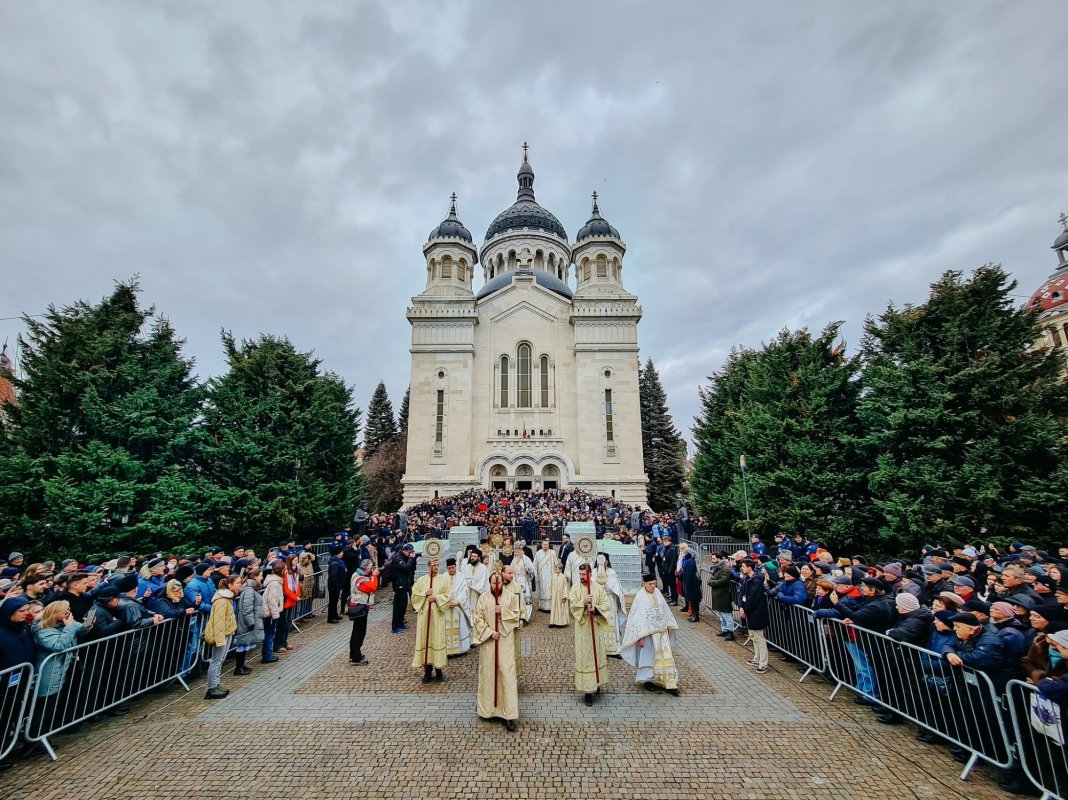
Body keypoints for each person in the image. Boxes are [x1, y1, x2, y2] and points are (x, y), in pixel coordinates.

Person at [472, 573, 521, 731]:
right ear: (490, 583)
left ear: (502, 583)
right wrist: (488, 632)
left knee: (506, 675)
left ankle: (508, 714)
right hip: (489, 643)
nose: (496, 586)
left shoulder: (511, 596)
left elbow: (516, 614)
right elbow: (478, 618)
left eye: (498, 583)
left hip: (505, 642)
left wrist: (503, 613)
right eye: (493, 583)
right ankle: (489, 710)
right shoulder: (484, 598)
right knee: (489, 675)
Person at [620, 573, 680, 695]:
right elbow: (637, 618)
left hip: (661, 633)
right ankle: (648, 681)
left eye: (654, 583)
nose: (653, 586)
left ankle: (669, 681)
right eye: (650, 584)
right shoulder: (640, 597)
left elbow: (665, 611)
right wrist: (640, 637)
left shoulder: (658, 593)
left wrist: (668, 627)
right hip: (648, 634)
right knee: (649, 658)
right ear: (644, 584)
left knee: (665, 658)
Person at [569, 562, 613, 706]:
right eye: (580, 574)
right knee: (585, 658)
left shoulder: (598, 588)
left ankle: (596, 683)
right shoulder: (575, 588)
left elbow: (607, 606)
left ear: (590, 574)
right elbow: (573, 606)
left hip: (595, 627)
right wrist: (583, 602)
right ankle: (587, 691)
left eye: (584, 574)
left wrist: (595, 608)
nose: (581, 577)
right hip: (583, 630)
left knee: (597, 655)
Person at [411, 558, 451, 683]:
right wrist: (425, 593)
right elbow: (414, 596)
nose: (436, 567)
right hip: (424, 617)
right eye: (434, 565)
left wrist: (436, 598)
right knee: (425, 641)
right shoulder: (421, 580)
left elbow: (448, 595)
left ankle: (439, 670)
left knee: (437, 641)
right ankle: (427, 671)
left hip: (437, 617)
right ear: (429, 566)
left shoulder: (443, 580)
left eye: (438, 565)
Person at [202, 574, 241, 699]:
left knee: (220, 661)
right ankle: (212, 687)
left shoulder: (228, 598)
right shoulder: (222, 600)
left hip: (227, 632)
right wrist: (219, 640)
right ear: (230, 585)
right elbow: (218, 621)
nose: (240, 585)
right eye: (238, 583)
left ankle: (216, 684)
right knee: (216, 661)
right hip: (221, 634)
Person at [738, 559, 769, 674]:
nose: (742, 568)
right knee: (753, 636)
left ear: (749, 567)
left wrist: (745, 609)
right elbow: (742, 593)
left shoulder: (757, 581)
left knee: (759, 638)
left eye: (744, 566)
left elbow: (752, 597)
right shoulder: (747, 579)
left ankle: (763, 663)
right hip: (748, 611)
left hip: (757, 612)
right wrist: (741, 607)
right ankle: (756, 658)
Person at [595, 554, 627, 656]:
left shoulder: (611, 572)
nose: (602, 563)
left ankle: (614, 649)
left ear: (607, 561)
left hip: (610, 600)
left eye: (604, 560)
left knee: (612, 624)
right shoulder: (594, 572)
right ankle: (599, 648)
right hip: (598, 601)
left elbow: (617, 588)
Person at [348, 559, 379, 665]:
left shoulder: (358, 575)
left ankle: (354, 654)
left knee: (356, 631)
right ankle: (356, 657)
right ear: (367, 569)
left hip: (360, 605)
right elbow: (372, 587)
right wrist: (374, 576)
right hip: (360, 606)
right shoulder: (359, 578)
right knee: (359, 632)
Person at [234, 569, 264, 676]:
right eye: (260, 575)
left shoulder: (251, 589)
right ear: (255, 577)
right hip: (246, 622)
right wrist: (251, 622)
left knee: (245, 644)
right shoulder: (249, 591)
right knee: (242, 644)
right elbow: (247, 608)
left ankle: (242, 665)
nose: (262, 577)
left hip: (249, 620)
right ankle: (238, 667)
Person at [443, 557, 473, 656]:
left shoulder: (461, 577)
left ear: (455, 567)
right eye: (449, 568)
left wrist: (457, 601)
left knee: (460, 627)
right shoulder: (443, 577)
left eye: (453, 567)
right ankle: (448, 650)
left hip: (458, 607)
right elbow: (441, 592)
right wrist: (447, 601)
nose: (451, 570)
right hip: (447, 608)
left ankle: (460, 649)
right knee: (446, 628)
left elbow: (464, 591)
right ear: (447, 568)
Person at [706, 551, 736, 641]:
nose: (712, 560)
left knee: (726, 614)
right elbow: (712, 577)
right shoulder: (717, 567)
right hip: (717, 594)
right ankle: (724, 630)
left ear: (719, 559)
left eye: (714, 558)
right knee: (720, 614)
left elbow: (723, 580)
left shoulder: (725, 568)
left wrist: (712, 582)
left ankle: (730, 632)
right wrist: (711, 581)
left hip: (723, 594)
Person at [390, 544, 418, 634]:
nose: (410, 554)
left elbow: (411, 569)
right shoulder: (397, 558)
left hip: (405, 584)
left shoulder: (405, 557)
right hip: (399, 585)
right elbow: (405, 568)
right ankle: (395, 626)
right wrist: (411, 559)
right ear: (405, 551)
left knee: (403, 606)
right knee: (397, 607)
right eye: (409, 552)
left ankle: (401, 623)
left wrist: (414, 561)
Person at [461, 548, 490, 635]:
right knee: (467, 614)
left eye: (474, 556)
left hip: (477, 595)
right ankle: (467, 636)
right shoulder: (466, 567)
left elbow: (483, 582)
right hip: (467, 594)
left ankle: (476, 635)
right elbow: (463, 579)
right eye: (472, 556)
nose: (472, 558)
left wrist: (472, 584)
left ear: (479, 558)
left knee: (477, 615)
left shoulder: (483, 568)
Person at [260, 562, 284, 663]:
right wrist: (275, 615)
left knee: (269, 633)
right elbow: (272, 600)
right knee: (269, 634)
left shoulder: (275, 581)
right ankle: (267, 655)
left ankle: (267, 653)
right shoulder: (274, 583)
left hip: (271, 612)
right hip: (270, 613)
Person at [533, 539, 557, 612]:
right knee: (543, 590)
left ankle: (551, 606)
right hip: (542, 575)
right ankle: (542, 606)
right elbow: (534, 565)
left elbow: (556, 563)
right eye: (544, 545)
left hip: (551, 575)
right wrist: (536, 574)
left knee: (550, 590)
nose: (546, 546)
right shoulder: (538, 553)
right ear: (541, 545)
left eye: (547, 545)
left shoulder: (553, 553)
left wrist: (556, 573)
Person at [327, 545, 347, 624]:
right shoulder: (335, 563)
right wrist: (337, 584)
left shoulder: (339, 561)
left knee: (335, 601)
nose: (342, 553)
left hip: (337, 584)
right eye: (341, 552)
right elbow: (333, 575)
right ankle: (331, 618)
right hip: (334, 585)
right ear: (337, 553)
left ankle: (335, 615)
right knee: (332, 602)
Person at [681, 547, 702, 622]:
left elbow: (689, 574)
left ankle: (695, 616)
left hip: (692, 584)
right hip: (691, 583)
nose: (684, 554)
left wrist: (688, 584)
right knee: (692, 600)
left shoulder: (689, 562)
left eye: (685, 553)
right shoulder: (690, 561)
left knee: (694, 600)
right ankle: (694, 615)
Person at [548, 560, 571, 628]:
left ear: (561, 570)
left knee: (561, 609)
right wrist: (550, 593)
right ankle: (553, 622)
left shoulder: (563, 577)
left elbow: (565, 587)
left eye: (557, 569)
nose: (556, 570)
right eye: (555, 568)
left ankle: (561, 622)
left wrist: (565, 596)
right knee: (554, 608)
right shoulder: (554, 576)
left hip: (561, 596)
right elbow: (551, 585)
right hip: (555, 595)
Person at [659, 535, 678, 605]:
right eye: (664, 541)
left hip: (670, 572)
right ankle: (672, 597)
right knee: (671, 585)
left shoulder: (672, 549)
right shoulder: (667, 548)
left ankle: (674, 599)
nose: (664, 543)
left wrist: (670, 571)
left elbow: (673, 562)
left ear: (669, 541)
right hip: (666, 570)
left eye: (666, 541)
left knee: (673, 586)